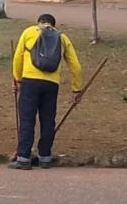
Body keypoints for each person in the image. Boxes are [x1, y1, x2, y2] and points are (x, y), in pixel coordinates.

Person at [9, 14, 82, 171]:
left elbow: (17, 58)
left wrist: (17, 79)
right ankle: (45, 158)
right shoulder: (62, 38)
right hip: (51, 84)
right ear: (53, 25)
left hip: (30, 81)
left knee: (27, 119)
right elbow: (75, 65)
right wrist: (76, 89)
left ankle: (23, 158)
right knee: (48, 121)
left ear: (39, 23)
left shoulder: (29, 32)